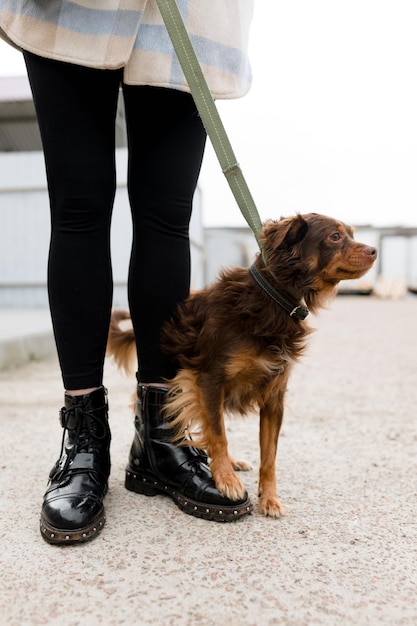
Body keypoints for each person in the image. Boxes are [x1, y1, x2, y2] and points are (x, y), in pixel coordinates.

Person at [0, 0, 254, 544]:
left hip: (190, 14)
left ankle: (160, 440)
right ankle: (84, 440)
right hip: (75, 9)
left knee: (167, 218)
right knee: (78, 208)